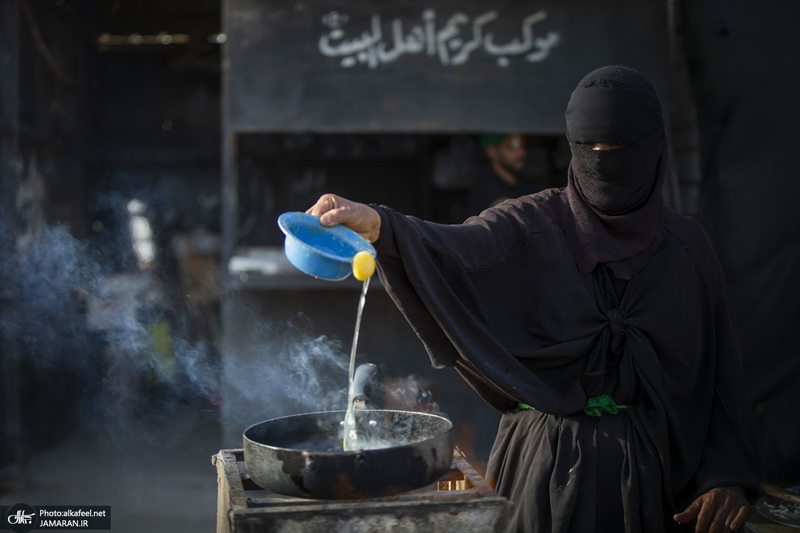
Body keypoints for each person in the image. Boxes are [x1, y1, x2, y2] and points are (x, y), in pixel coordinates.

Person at [305, 66, 763, 532]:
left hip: (661, 486)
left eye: (620, 149)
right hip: (542, 473)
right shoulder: (532, 226)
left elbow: (720, 375)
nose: (603, 162)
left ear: (654, 147)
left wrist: (725, 478)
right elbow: (459, 248)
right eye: (590, 149)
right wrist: (380, 224)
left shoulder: (687, 250)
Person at [467, 133, 539, 215]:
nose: (522, 152)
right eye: (511, 147)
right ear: (492, 152)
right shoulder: (484, 187)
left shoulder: (526, 182)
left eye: (522, 145)